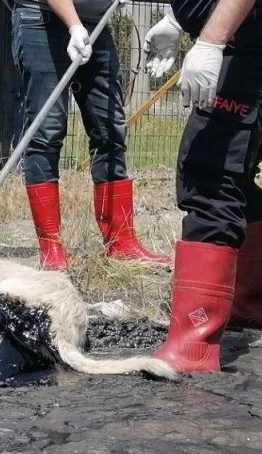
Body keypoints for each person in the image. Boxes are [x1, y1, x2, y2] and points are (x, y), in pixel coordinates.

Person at [143, 0, 262, 373]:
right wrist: (176, 18)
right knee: (236, 177)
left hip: (250, 42)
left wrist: (212, 40)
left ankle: (193, 345)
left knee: (210, 175)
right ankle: (251, 308)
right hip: (248, 37)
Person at [11, 0, 172, 271]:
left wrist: (172, 18)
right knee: (46, 132)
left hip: (96, 23)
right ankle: (51, 249)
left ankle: (120, 243)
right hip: (42, 20)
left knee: (110, 130)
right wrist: (74, 25)